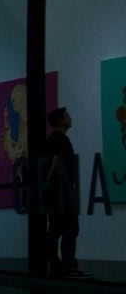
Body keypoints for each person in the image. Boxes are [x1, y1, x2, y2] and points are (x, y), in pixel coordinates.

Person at [43, 106, 87, 277]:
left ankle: (57, 264)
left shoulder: (51, 140)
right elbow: (55, 162)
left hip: (55, 192)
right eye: (68, 116)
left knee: (55, 229)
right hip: (61, 192)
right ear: (60, 121)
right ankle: (68, 265)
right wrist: (51, 181)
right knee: (70, 229)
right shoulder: (60, 140)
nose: (71, 119)